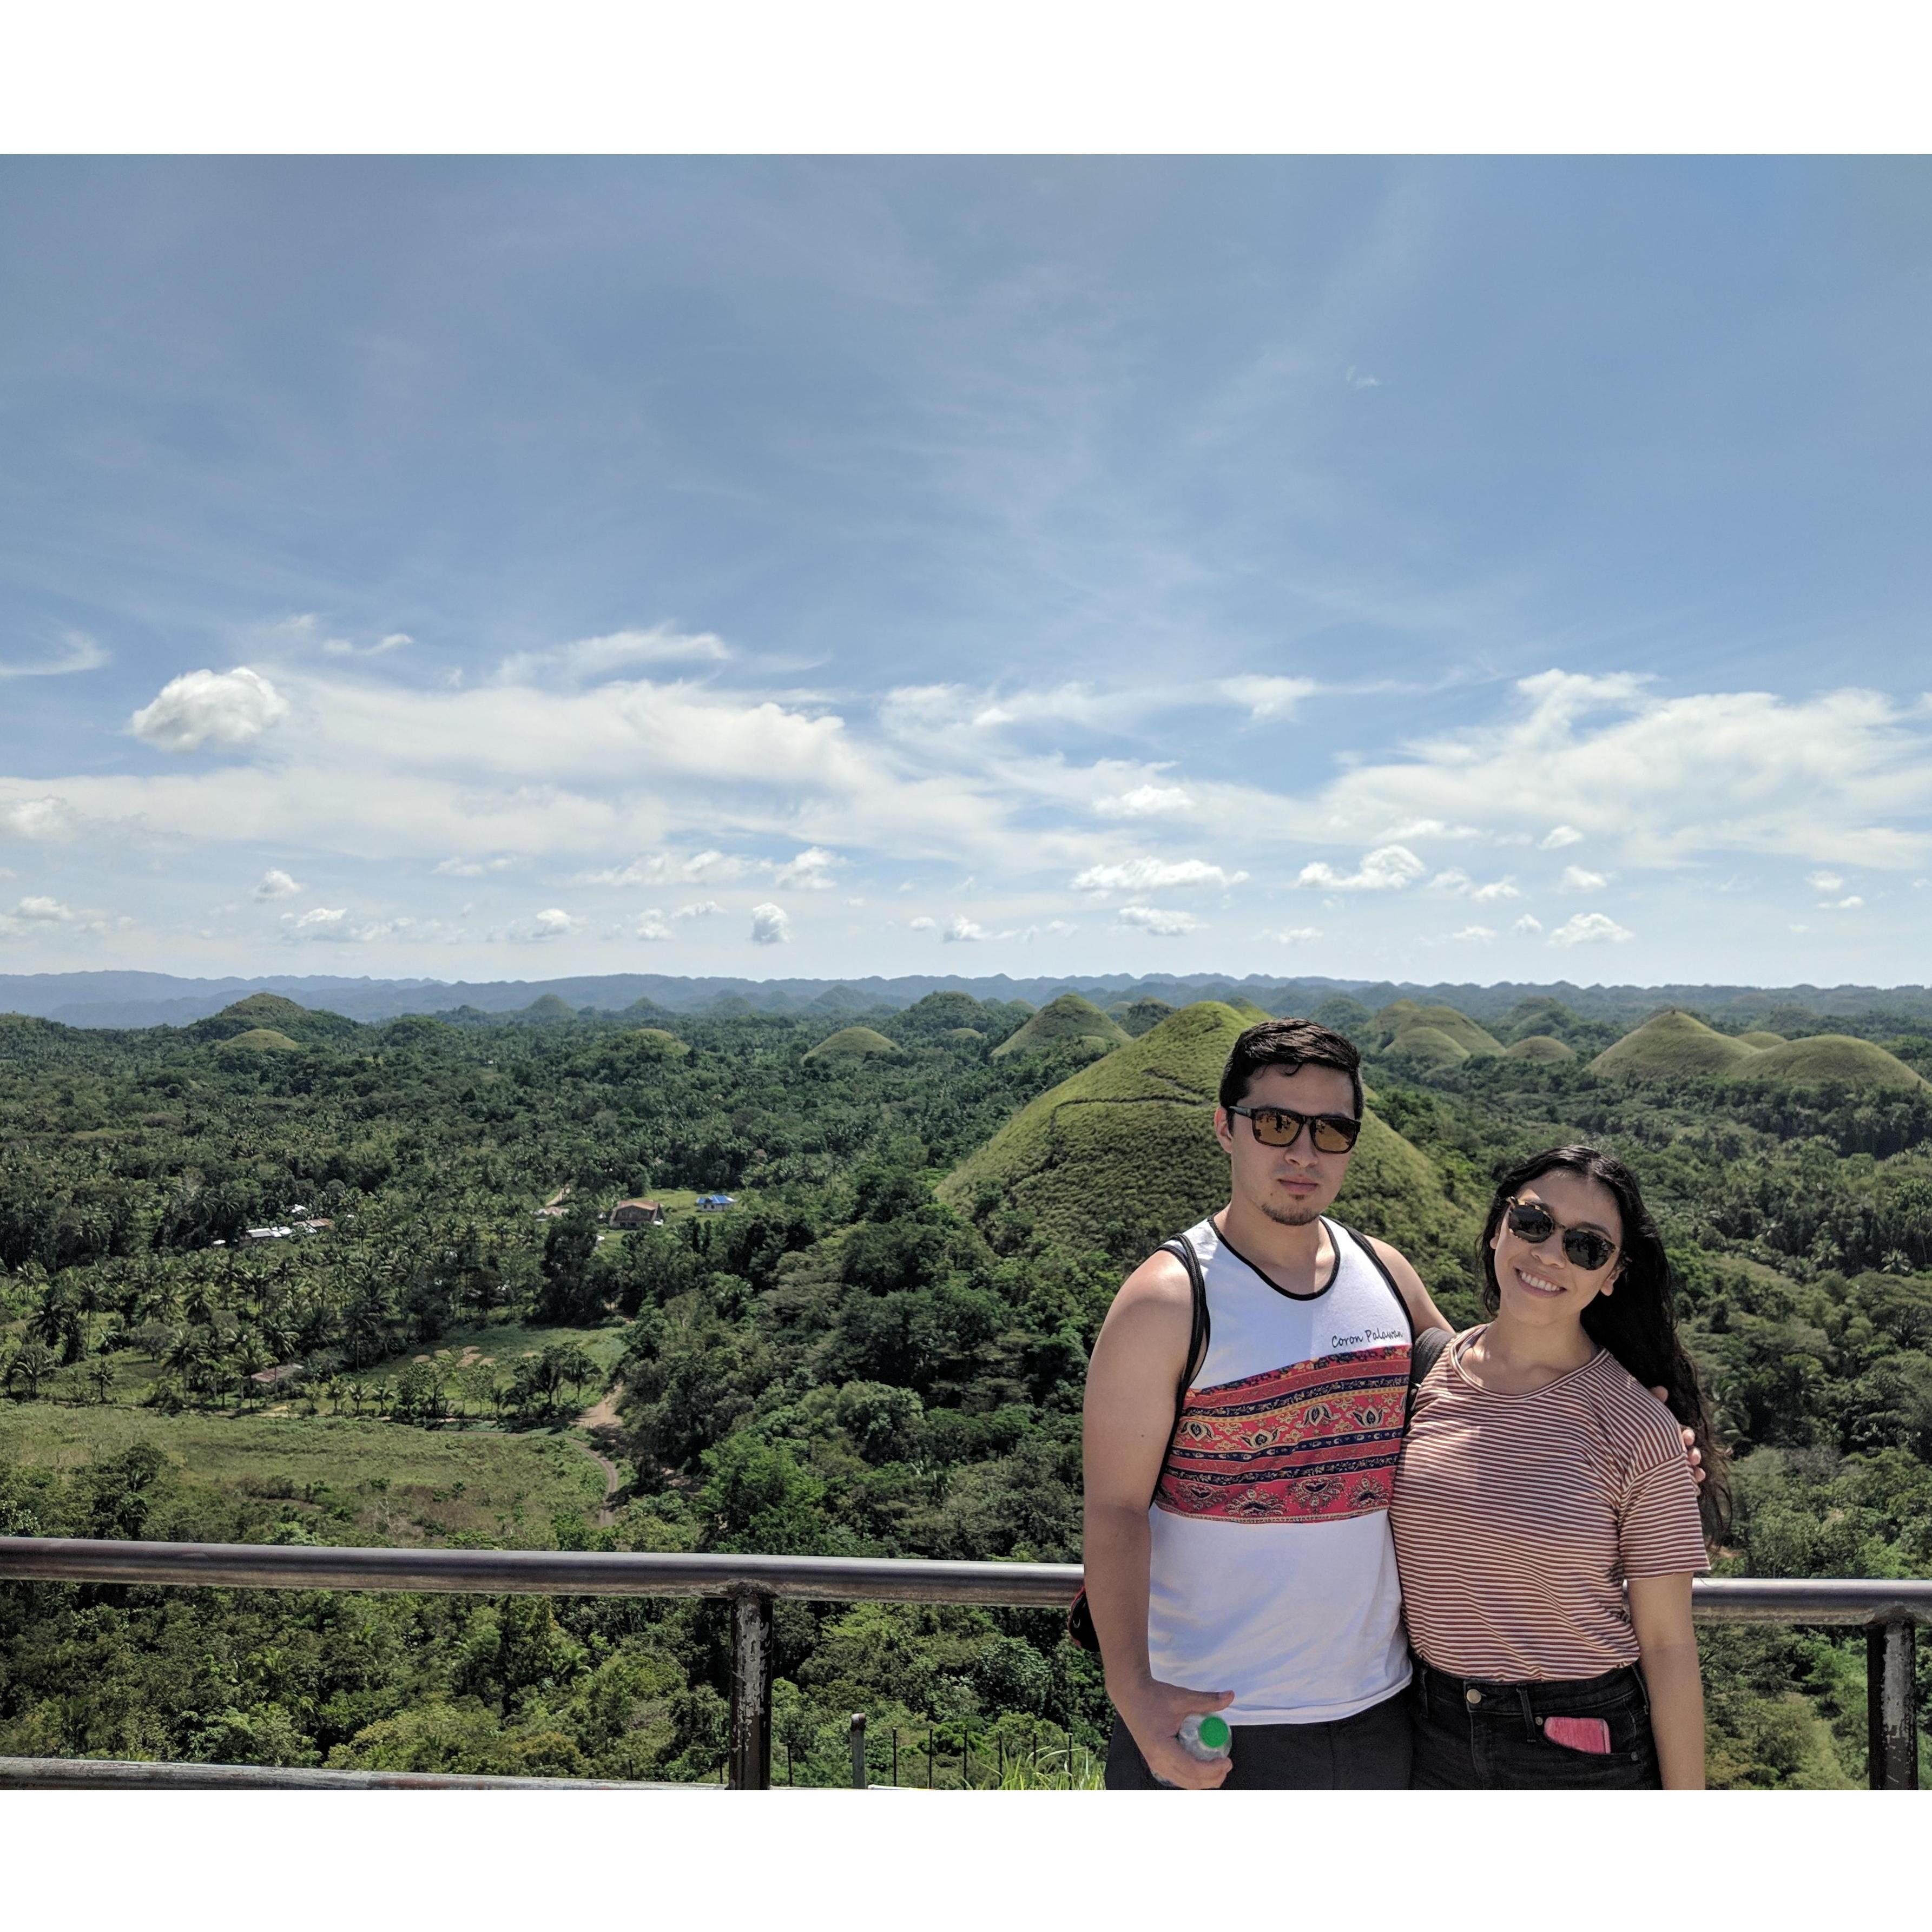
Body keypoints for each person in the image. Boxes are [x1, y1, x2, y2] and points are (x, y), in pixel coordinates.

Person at [1082, 1018, 1455, 1790]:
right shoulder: (1168, 1298)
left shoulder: (1385, 1273)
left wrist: (1629, 1425)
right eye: (1276, 1122)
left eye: (1331, 1130)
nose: (1302, 1153)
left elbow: (1485, 1401)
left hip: (1377, 1706)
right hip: (1211, 1717)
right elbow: (1114, 1507)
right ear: (1225, 1126)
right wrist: (1135, 1696)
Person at [1390, 1145, 1723, 1790]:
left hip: (1578, 1741)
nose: (1549, 1254)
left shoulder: (1638, 1426)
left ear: (1612, 1275)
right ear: (1497, 1227)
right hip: (1429, 1728)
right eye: (1534, 1223)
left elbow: (1667, 1643)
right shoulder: (1429, 1377)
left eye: (1587, 1246)